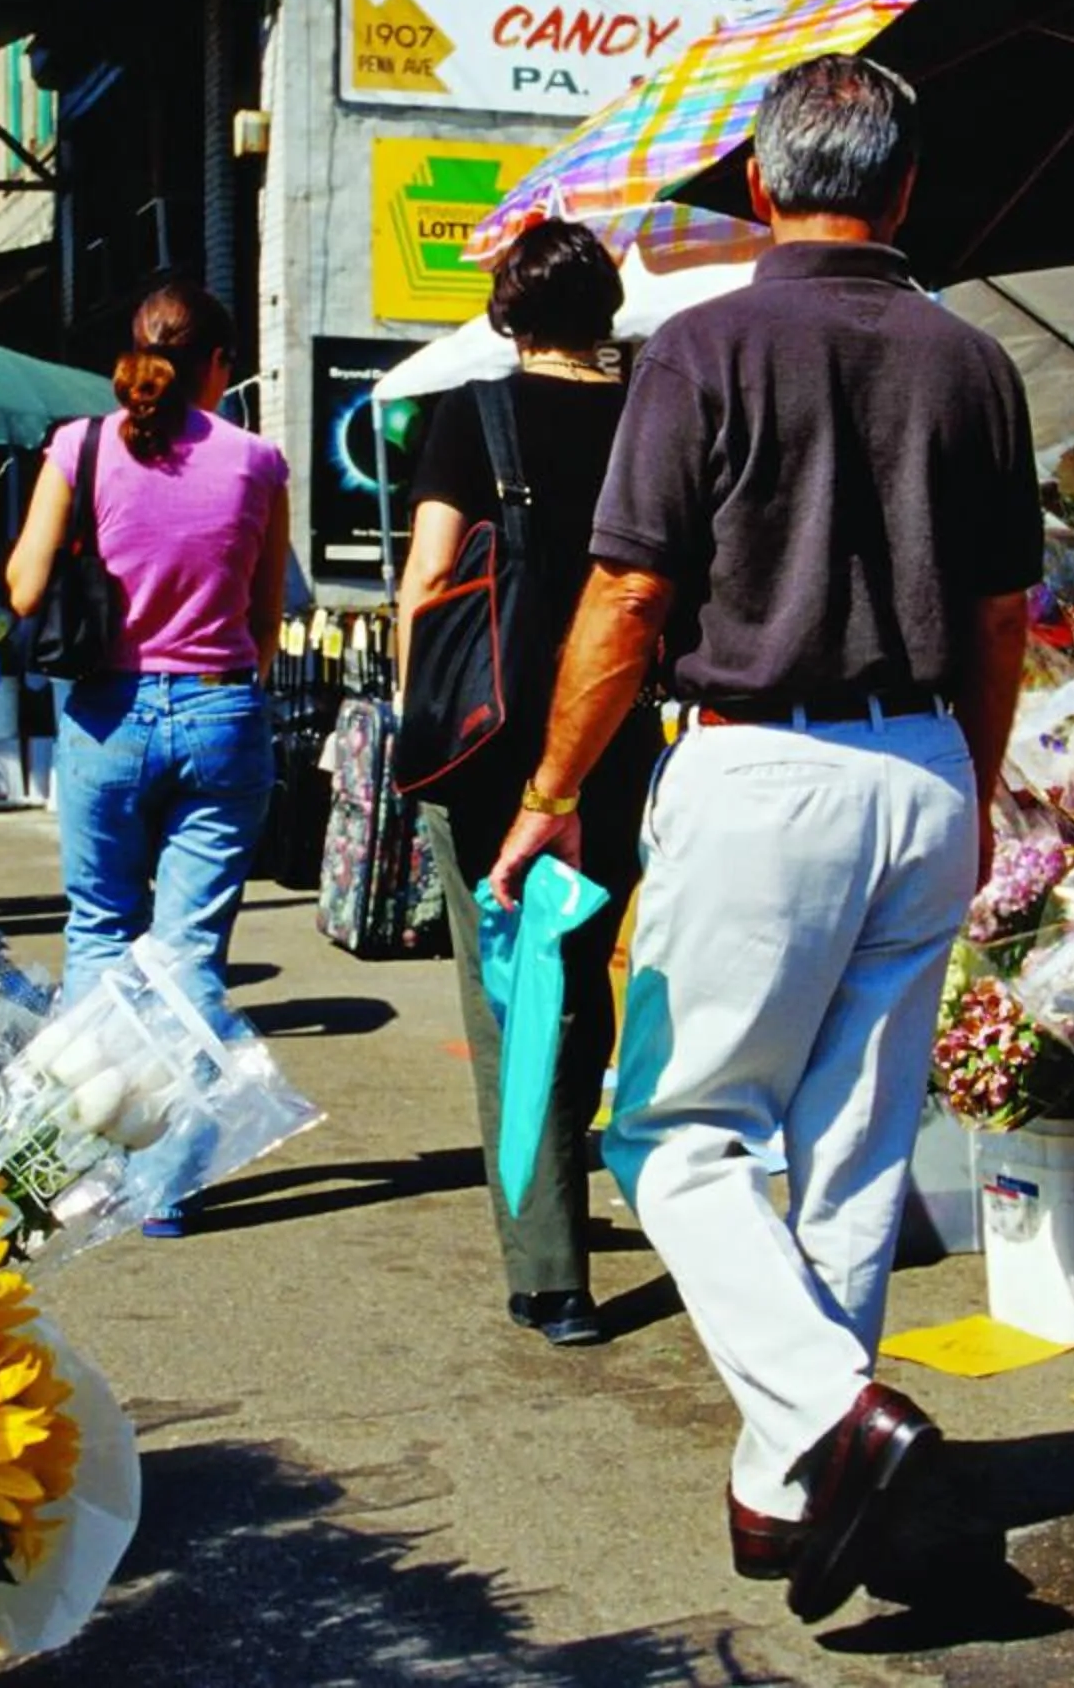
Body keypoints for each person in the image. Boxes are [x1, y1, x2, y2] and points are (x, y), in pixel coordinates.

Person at [486, 57, 1041, 1623]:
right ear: (909, 189)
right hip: (924, 761)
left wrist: (548, 792)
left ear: (755, 186)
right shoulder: (974, 362)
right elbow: (1002, 615)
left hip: (760, 764)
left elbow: (629, 597)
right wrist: (976, 784)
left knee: (675, 1134)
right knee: (855, 1150)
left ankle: (830, 1416)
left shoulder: (705, 344)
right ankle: (791, 1484)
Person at [396, 220, 654, 1350]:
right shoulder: (653, 412)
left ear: (510, 312)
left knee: (510, 996)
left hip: (493, 747)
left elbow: (426, 578)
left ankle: (552, 1271)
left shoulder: (473, 411)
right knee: (582, 966)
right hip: (617, 738)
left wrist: (417, 724)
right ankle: (571, 1171)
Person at [8, 280, 291, 1018]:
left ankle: (91, 1128)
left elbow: (25, 589)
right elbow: (267, 618)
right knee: (190, 950)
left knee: (101, 929)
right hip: (223, 707)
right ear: (219, 364)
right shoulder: (258, 460)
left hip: (108, 710)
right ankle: (186, 1136)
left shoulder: (83, 445)